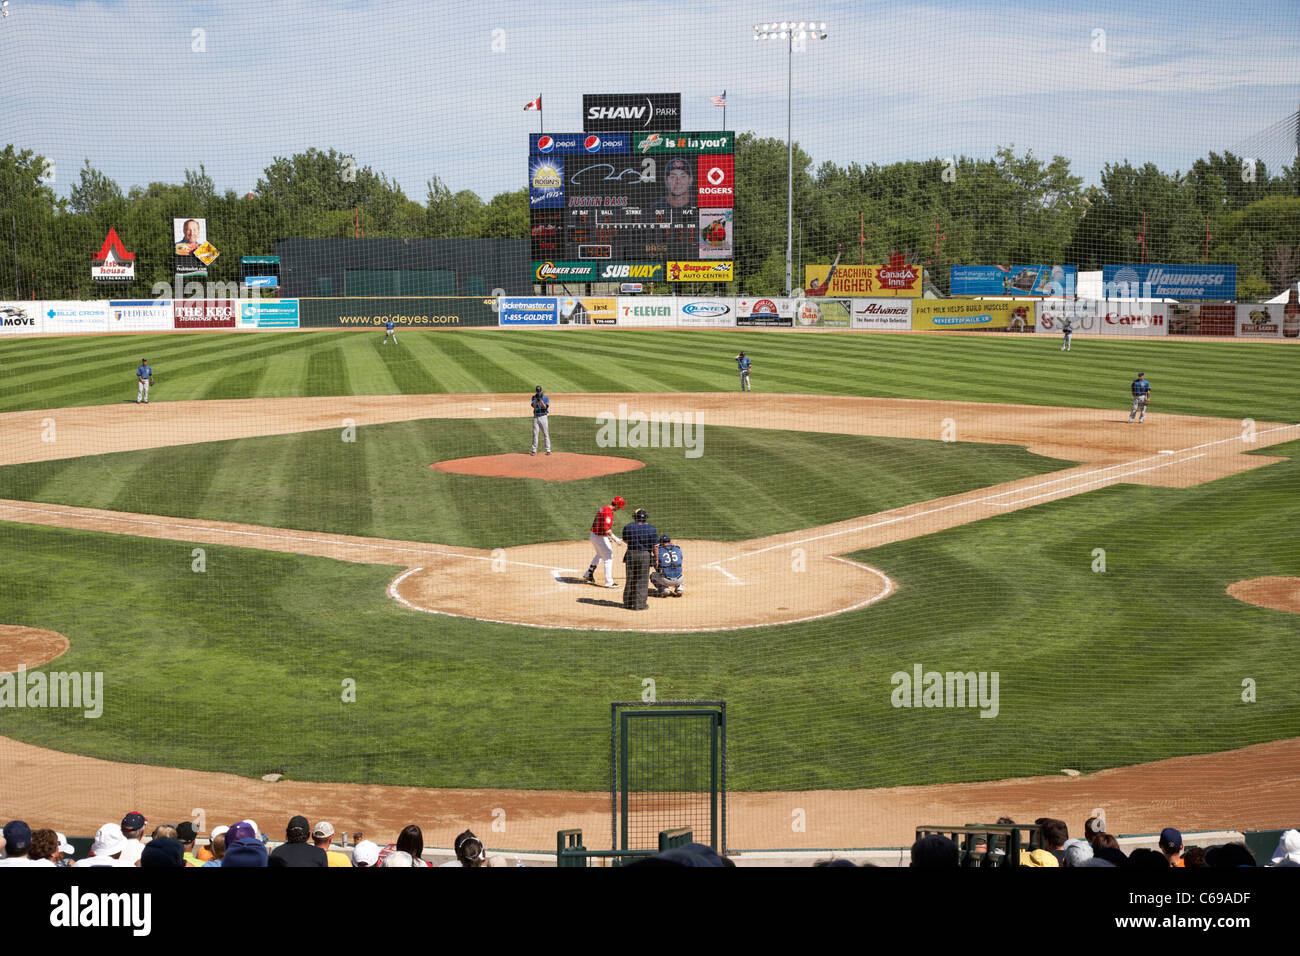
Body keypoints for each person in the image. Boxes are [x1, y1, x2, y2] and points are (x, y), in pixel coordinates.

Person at [620, 508, 659, 611]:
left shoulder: (628, 527)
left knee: (630, 578)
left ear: (635, 517)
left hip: (631, 554)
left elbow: (625, 540)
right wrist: (656, 558)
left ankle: (628, 603)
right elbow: (655, 546)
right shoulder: (652, 529)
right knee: (642, 580)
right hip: (645, 556)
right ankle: (640, 605)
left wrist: (634, 544)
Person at [584, 496, 626, 588]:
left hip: (594, 535)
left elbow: (601, 525)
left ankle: (588, 573)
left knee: (600, 554)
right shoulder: (608, 512)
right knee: (608, 557)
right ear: (617, 505)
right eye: (619, 507)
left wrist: (608, 537)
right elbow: (606, 528)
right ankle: (609, 582)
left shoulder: (603, 508)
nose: (619, 509)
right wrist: (616, 539)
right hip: (599, 537)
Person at [529, 385, 551, 456]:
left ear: (541, 391)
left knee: (545, 433)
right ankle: (534, 450)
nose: (538, 392)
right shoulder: (534, 397)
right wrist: (536, 400)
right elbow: (533, 406)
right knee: (535, 434)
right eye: (537, 391)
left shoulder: (545, 398)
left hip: (543, 417)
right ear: (536, 391)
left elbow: (545, 407)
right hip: (536, 417)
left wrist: (541, 401)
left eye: (539, 391)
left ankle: (548, 450)